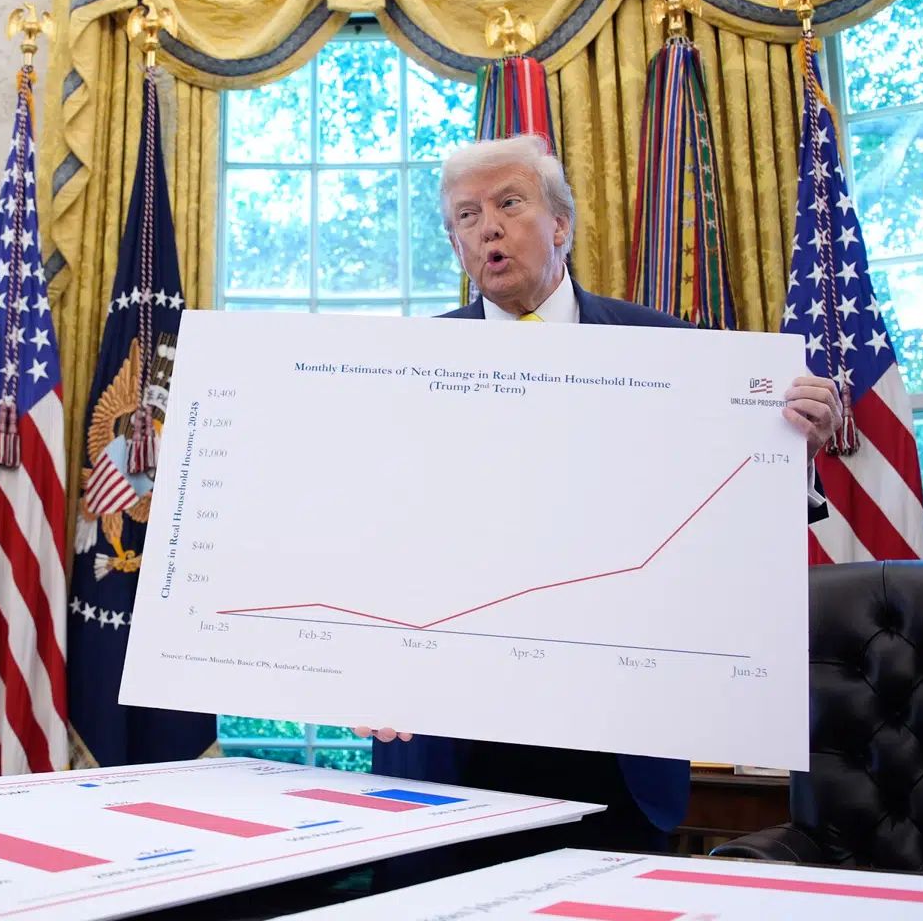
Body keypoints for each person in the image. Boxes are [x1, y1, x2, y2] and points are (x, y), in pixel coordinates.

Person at [356, 133, 841, 873]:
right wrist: (356, 666)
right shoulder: (396, 372)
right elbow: (366, 538)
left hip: (616, 747)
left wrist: (788, 452)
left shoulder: (675, 350)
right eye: (466, 216)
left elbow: (721, 529)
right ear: (455, 246)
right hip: (446, 743)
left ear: (561, 224)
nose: (487, 227)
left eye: (508, 203)